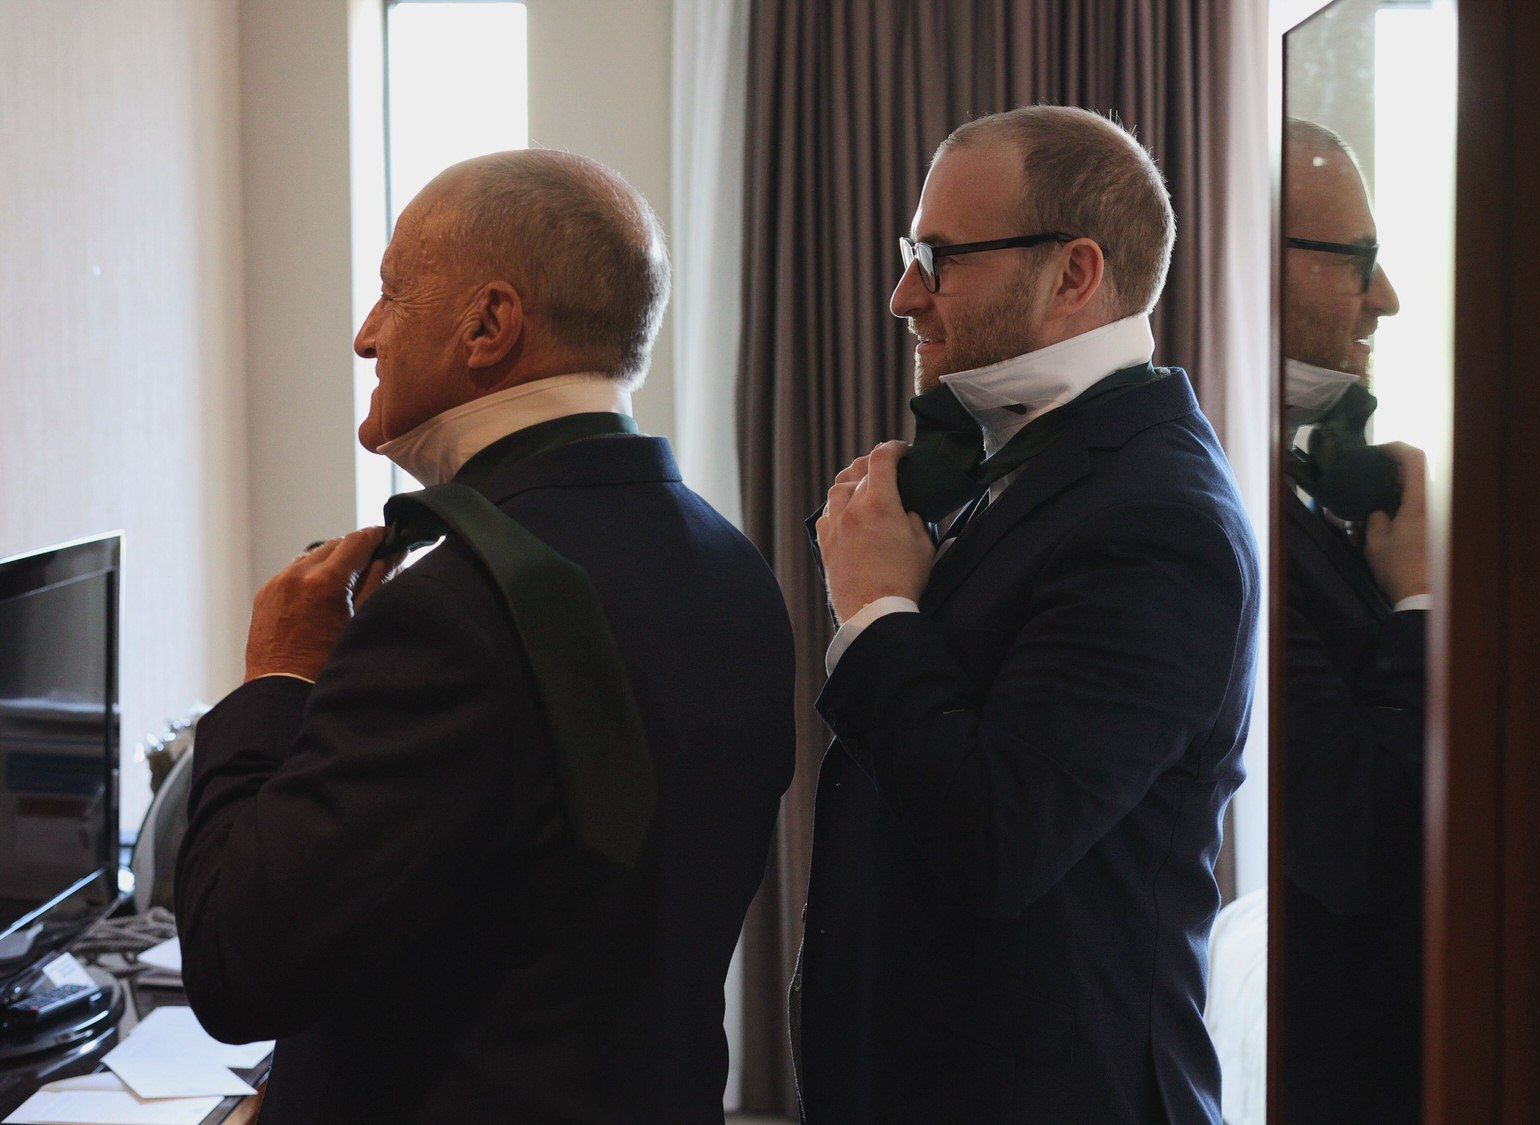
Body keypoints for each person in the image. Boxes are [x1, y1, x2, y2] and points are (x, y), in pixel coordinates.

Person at [174, 150, 795, 1125]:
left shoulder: (455, 610)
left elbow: (235, 966)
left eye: (390, 294)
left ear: (489, 324)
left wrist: (277, 679)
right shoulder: (731, 565)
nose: (364, 335)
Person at [798, 106, 1259, 1124]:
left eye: (939, 257)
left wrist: (876, 608)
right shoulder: (1039, 461)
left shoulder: (1159, 519)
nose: (902, 295)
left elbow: (999, 837)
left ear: (1074, 274)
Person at [1278, 118, 1428, 1122]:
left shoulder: (1316, 503)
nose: (1384, 299)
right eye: (1358, 263)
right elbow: (1353, 833)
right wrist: (1417, 603)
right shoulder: (1236, 519)